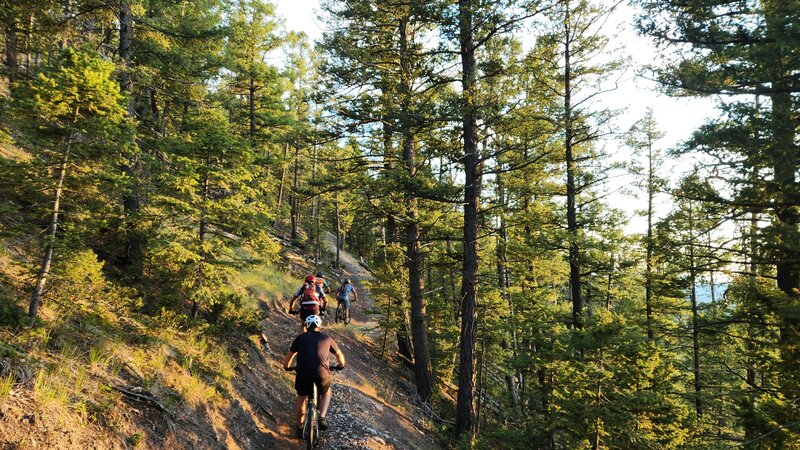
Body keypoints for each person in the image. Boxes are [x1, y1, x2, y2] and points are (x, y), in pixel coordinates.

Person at [283, 315, 346, 438]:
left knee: (301, 397)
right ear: (319, 326)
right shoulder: (327, 338)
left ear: (306, 326)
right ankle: (322, 417)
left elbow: (289, 356)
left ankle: (300, 428)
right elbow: (339, 355)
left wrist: (287, 367)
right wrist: (340, 366)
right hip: (322, 374)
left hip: (303, 374)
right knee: (326, 392)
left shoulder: (300, 338)